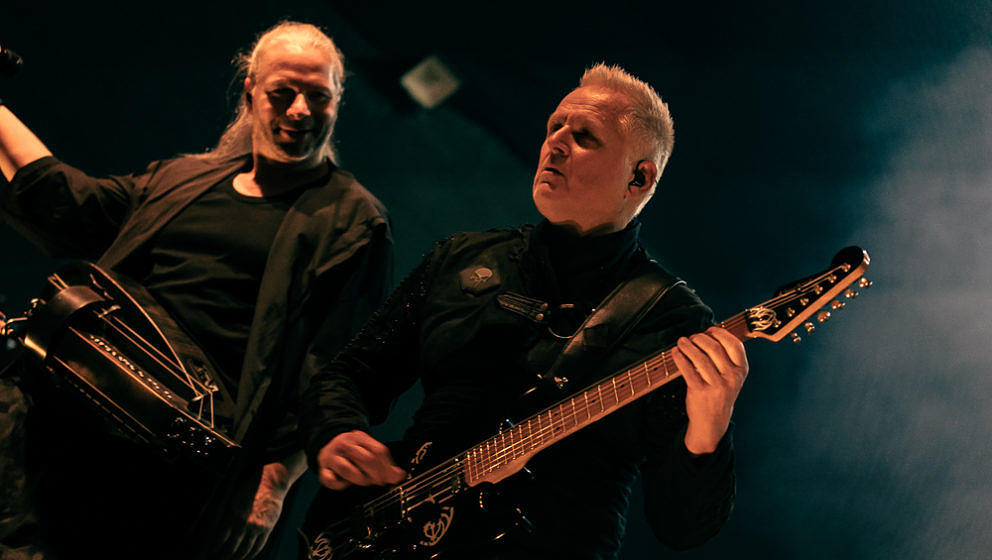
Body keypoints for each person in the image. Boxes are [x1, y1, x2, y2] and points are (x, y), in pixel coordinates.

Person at [300, 64, 748, 559]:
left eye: (584, 136)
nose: (555, 143)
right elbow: (349, 373)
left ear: (639, 178)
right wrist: (337, 430)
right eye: (554, 126)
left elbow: (682, 527)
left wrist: (711, 424)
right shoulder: (462, 259)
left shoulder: (673, 321)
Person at [0, 21, 391, 560]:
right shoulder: (182, 179)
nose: (301, 110)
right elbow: (64, 203)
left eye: (318, 96)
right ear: (251, 92)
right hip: (66, 423)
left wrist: (275, 481)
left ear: (337, 100)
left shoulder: (351, 221)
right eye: (283, 92)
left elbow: (332, 369)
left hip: (171, 471)